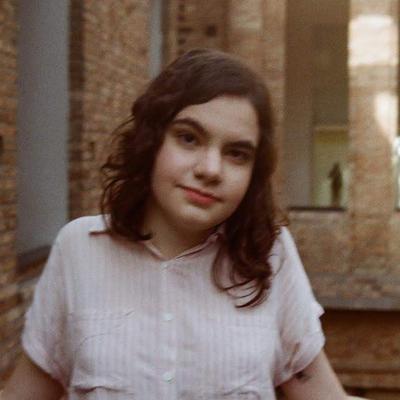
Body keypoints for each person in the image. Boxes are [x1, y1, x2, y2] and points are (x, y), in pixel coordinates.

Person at [2, 48, 349, 399]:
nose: (210, 169)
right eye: (188, 138)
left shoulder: (270, 254)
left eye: (236, 154)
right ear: (151, 141)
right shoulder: (79, 249)